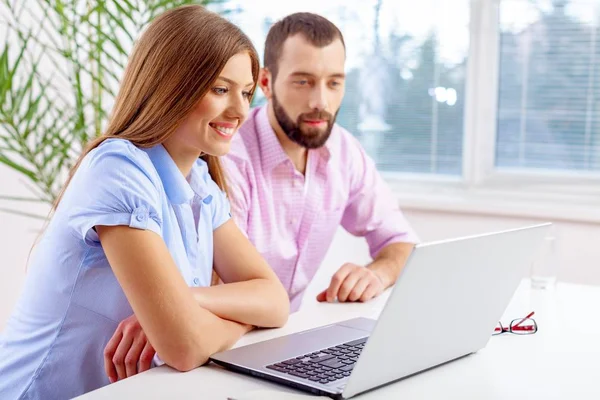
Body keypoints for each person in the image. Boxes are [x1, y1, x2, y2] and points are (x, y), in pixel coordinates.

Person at [0, 5, 289, 399]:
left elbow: (274, 300)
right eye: (221, 89)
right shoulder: (117, 169)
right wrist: (233, 319)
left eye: (246, 92)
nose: (240, 111)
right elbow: (185, 346)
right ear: (170, 86)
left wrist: (188, 301)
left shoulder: (201, 182)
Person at [221, 12, 419, 312]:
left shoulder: (343, 151)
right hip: (225, 337)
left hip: (288, 334)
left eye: (334, 83)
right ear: (265, 82)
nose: (321, 102)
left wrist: (377, 274)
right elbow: (222, 290)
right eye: (303, 81)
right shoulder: (229, 157)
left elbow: (402, 242)